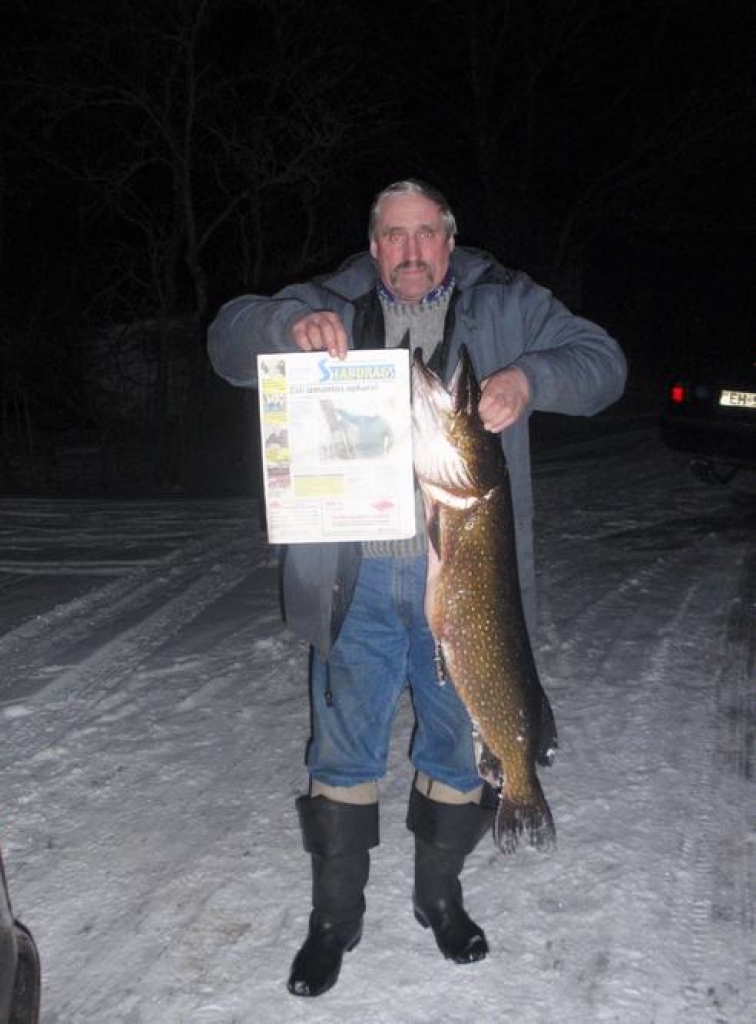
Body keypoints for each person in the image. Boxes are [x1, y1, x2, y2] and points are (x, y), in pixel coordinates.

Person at [207, 179, 627, 997]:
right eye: (392, 236)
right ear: (372, 246)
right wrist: (284, 328)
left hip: (463, 580)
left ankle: (440, 897)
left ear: (449, 239)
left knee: (453, 740)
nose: (409, 251)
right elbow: (227, 341)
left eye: (425, 234)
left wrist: (532, 378)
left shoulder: (508, 303)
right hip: (352, 576)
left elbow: (605, 365)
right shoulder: (327, 298)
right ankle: (335, 917)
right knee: (343, 748)